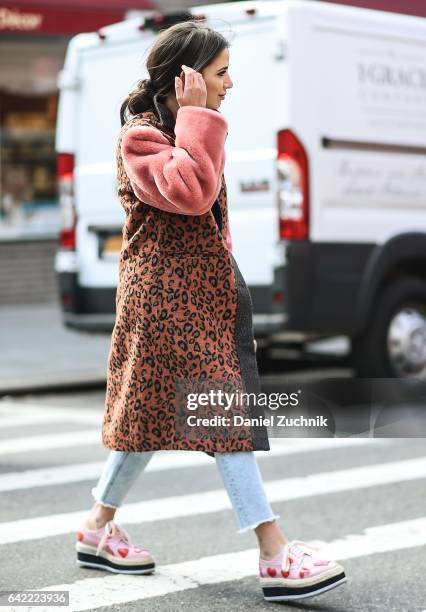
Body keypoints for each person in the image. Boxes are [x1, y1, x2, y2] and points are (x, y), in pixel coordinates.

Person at [75, 20, 347, 602]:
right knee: (223, 414)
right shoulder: (141, 138)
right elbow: (193, 192)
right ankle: (274, 552)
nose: (231, 83)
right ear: (187, 78)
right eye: (222, 72)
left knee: (146, 418)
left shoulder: (179, 128)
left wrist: (197, 119)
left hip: (197, 299)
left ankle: (96, 528)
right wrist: (199, 117)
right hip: (165, 302)